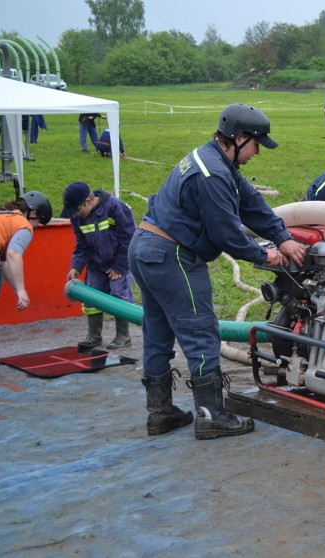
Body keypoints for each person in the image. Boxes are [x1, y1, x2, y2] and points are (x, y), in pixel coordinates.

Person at [128, 103, 306, 439]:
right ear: (239, 138)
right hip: (173, 256)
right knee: (200, 331)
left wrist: (281, 237)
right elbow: (226, 232)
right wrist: (264, 256)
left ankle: (160, 413)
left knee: (158, 333)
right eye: (256, 145)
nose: (257, 153)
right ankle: (211, 416)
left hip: (146, 247)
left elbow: (252, 204)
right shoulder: (213, 175)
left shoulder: (212, 159)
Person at [61, 181, 136, 350]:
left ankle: (123, 336)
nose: (76, 215)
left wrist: (119, 266)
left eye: (77, 210)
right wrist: (76, 267)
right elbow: (82, 245)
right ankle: (94, 336)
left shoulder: (115, 207)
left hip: (119, 263)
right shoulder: (77, 218)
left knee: (119, 294)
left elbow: (130, 237)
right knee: (91, 295)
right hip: (96, 264)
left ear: (88, 201)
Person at [0, 191, 52, 311]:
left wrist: (17, 289)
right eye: (38, 221)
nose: (36, 226)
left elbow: (4, 262)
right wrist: (21, 289)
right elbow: (14, 253)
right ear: (33, 213)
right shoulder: (24, 225)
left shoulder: (4, 217)